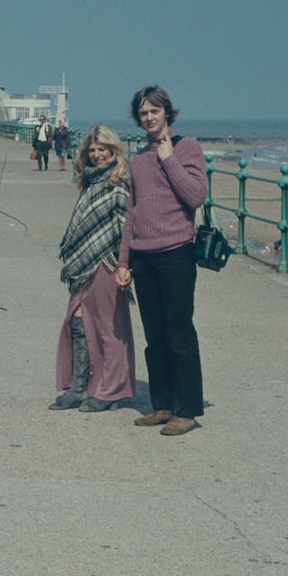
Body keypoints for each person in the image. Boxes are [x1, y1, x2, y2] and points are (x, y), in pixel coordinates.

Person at [116, 85, 208, 436]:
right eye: (143, 113)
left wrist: (169, 157)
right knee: (154, 336)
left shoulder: (187, 147)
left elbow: (196, 195)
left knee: (180, 334)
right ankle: (163, 404)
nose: (149, 117)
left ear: (167, 112)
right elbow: (131, 213)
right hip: (143, 257)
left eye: (155, 110)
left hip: (176, 253)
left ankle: (187, 410)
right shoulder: (138, 158)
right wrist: (124, 262)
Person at [50, 124, 136, 412]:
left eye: (103, 150)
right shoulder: (89, 180)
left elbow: (126, 228)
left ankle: (109, 390)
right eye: (93, 150)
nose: (98, 155)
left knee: (107, 329)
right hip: (85, 264)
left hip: (107, 263)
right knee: (76, 320)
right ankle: (79, 388)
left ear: (114, 151)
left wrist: (124, 265)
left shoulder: (119, 181)